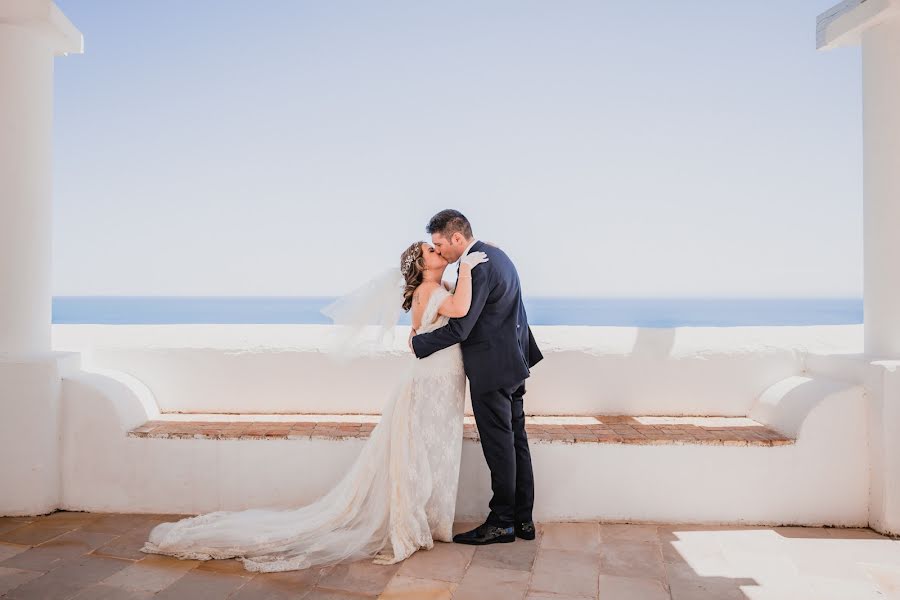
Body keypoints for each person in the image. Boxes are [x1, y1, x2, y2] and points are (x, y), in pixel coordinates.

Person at [141, 241, 489, 572]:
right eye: (431, 249)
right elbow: (459, 310)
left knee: (427, 450)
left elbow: (418, 331)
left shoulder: (434, 287)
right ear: (420, 264)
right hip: (431, 381)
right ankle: (417, 519)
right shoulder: (430, 290)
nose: (438, 250)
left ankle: (425, 516)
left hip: (437, 378)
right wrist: (469, 270)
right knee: (422, 451)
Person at [411, 209, 543, 545]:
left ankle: (502, 522)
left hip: (492, 370)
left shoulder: (479, 266)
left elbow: (461, 326)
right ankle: (522, 520)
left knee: (500, 446)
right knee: (516, 441)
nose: (439, 251)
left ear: (457, 238)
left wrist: (419, 342)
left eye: (441, 244)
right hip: (514, 363)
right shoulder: (497, 255)